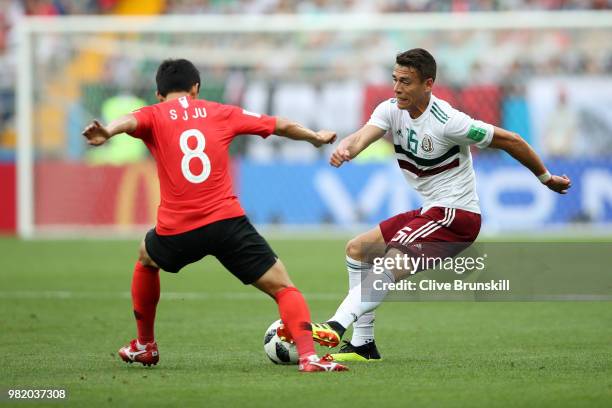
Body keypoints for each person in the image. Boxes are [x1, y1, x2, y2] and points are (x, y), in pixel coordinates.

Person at [300, 48, 571, 361]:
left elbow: (511, 139)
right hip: (433, 210)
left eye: (406, 82)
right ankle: (363, 344)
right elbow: (363, 137)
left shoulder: (450, 121)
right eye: (395, 79)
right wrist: (347, 148)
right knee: (358, 249)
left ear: (427, 84)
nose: (397, 88)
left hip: (457, 215)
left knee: (390, 261)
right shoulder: (390, 109)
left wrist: (545, 177)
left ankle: (336, 324)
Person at [82, 59, 347, 373]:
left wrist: (108, 132)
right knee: (283, 287)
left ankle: (145, 345)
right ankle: (309, 357)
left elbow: (127, 121)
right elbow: (279, 125)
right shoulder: (220, 111)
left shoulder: (152, 114)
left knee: (146, 258)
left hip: (178, 229)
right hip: (227, 224)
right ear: (196, 87)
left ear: (157, 93)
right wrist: (314, 136)